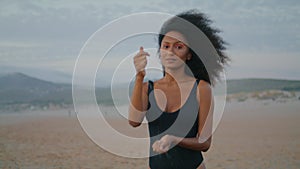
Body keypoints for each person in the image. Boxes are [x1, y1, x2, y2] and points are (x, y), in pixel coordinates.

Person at [128, 9, 229, 169]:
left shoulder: (201, 89)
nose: (170, 52)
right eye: (166, 46)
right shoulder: (148, 87)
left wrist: (175, 140)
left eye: (178, 47)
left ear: (189, 54)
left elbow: (205, 142)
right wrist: (139, 76)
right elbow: (134, 121)